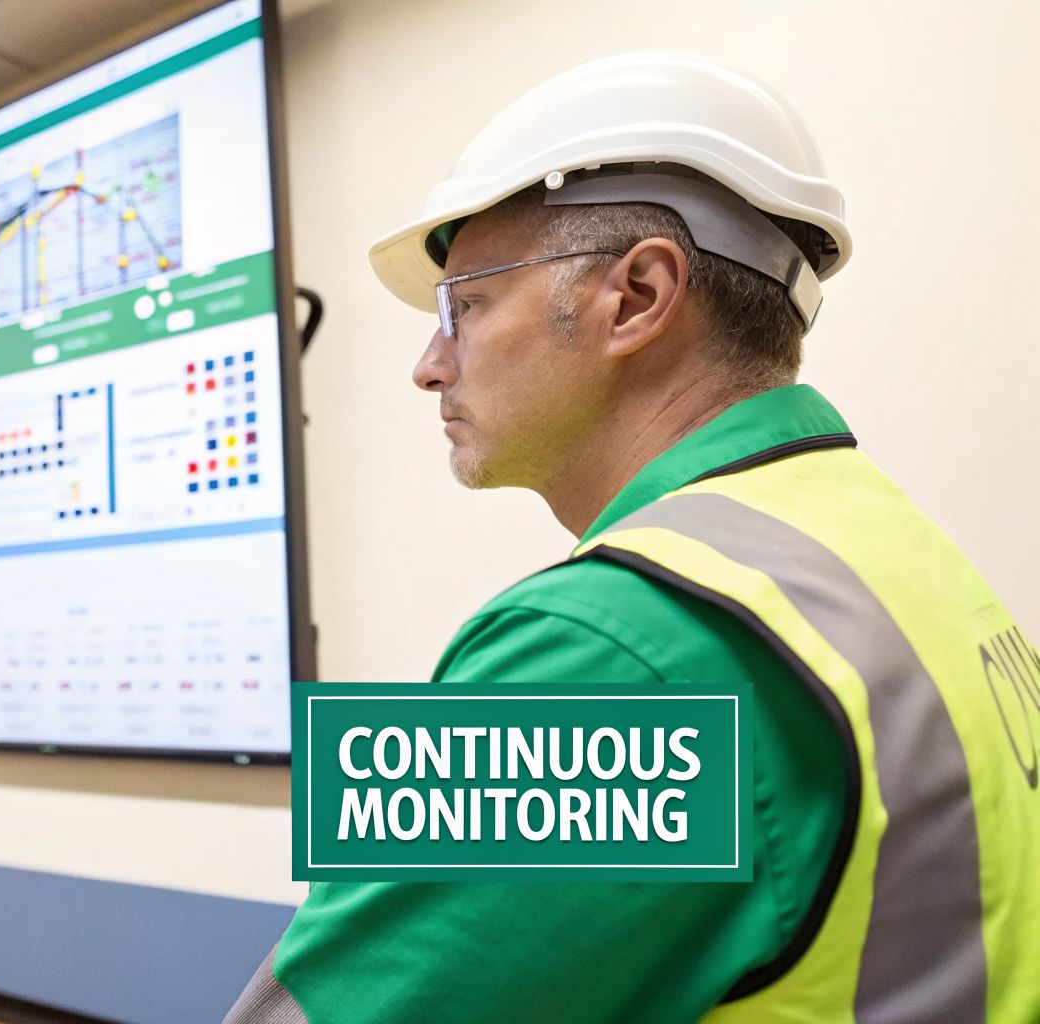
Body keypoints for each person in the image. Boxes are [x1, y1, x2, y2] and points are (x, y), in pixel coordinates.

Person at [226, 53, 1040, 1023]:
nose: (428, 365)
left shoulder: (611, 647)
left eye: (463, 306)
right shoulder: (900, 556)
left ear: (637, 296)